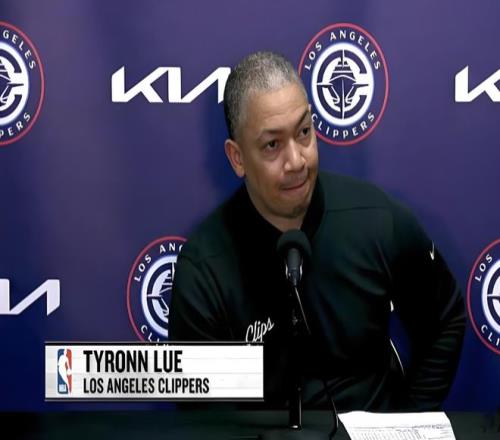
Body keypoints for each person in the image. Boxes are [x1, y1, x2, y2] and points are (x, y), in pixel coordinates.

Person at [170, 51, 466, 412]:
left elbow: (445, 318)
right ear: (238, 158)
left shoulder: (376, 219)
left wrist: (408, 421)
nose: (296, 161)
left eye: (304, 132)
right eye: (272, 145)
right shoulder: (205, 269)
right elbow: (205, 416)